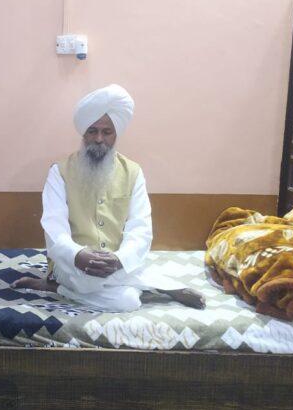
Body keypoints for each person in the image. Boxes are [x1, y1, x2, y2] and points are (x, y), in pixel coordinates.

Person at [12, 84, 205, 312]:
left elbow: (140, 228)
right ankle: (162, 286)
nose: (99, 139)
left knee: (127, 300)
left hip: (115, 262)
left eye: (107, 132)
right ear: (83, 133)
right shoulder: (60, 172)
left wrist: (120, 259)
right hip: (73, 263)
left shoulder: (133, 172)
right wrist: (77, 254)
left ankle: (57, 288)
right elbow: (54, 226)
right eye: (92, 131)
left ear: (116, 134)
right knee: (117, 293)